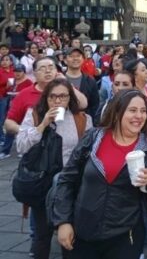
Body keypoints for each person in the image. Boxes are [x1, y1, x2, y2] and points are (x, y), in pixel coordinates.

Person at [52, 89, 147, 259]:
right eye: (132, 110)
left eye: (143, 111)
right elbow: (67, 179)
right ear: (117, 113)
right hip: (82, 232)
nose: (139, 116)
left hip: (125, 236)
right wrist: (63, 222)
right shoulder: (93, 138)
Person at [16, 79, 92, 259]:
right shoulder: (34, 115)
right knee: (42, 235)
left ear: (70, 98)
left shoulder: (82, 119)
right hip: (42, 182)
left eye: (63, 96)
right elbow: (21, 146)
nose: (58, 101)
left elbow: (89, 150)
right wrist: (42, 125)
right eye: (53, 97)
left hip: (69, 184)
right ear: (46, 98)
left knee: (70, 235)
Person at [3, 57, 88, 159]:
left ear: (57, 71)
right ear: (34, 73)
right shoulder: (24, 94)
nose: (47, 71)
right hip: (37, 152)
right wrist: (27, 131)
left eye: (51, 67)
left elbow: (83, 104)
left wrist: (66, 83)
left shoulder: (65, 90)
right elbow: (8, 123)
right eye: (42, 68)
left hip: (66, 150)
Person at [64, 47, 100, 119]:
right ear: (65, 60)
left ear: (83, 59)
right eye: (71, 56)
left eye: (78, 56)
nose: (75, 59)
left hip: (84, 121)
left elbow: (94, 105)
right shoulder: (59, 79)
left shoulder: (90, 81)